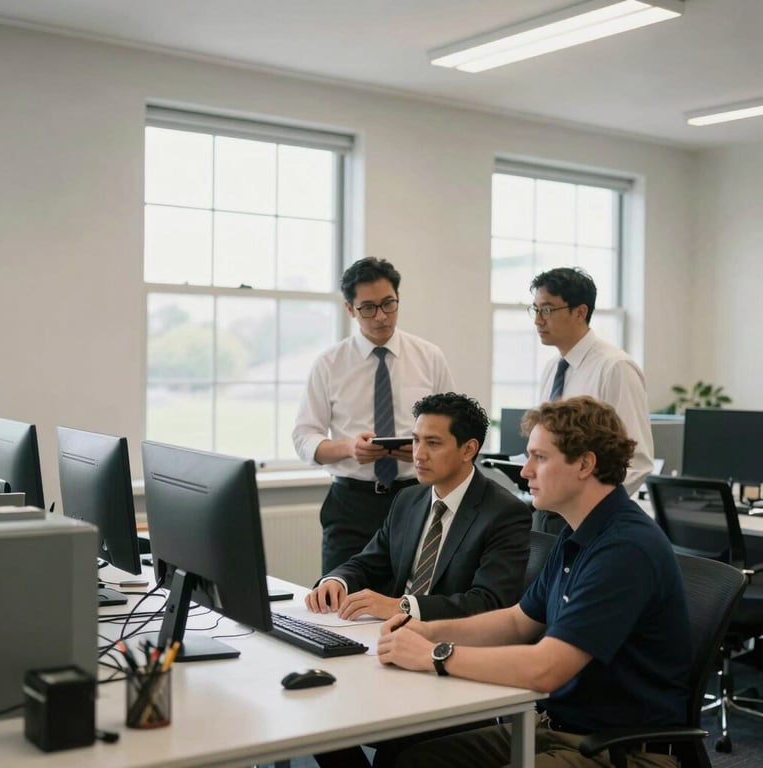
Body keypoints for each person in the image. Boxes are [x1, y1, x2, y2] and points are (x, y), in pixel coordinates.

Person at [376, 396, 691, 768]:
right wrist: (426, 630)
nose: (524, 472)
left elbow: (546, 668)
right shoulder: (580, 533)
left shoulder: (624, 549)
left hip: (621, 749)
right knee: (413, 758)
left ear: (585, 464)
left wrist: (434, 655)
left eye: (539, 457)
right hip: (556, 727)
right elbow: (516, 621)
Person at [305, 392, 532, 622]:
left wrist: (403, 606)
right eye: (415, 440)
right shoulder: (408, 499)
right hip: (391, 632)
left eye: (433, 443)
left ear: (468, 450)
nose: (418, 454)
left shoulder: (504, 513)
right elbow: (368, 563)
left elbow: (487, 603)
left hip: (451, 641)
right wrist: (337, 580)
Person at [293, 257, 454, 572]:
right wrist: (349, 448)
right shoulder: (329, 363)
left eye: (388, 304)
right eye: (368, 307)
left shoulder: (429, 357)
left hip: (417, 497)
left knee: (411, 602)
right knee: (338, 600)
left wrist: (426, 448)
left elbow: (453, 428)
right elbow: (303, 437)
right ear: (350, 309)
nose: (381, 316)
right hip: (351, 504)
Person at [529, 267, 654, 532]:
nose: (538, 320)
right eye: (536, 309)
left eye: (548, 309)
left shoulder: (615, 367)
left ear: (580, 312)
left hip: (589, 517)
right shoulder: (553, 368)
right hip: (551, 512)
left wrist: (591, 514)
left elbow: (637, 460)